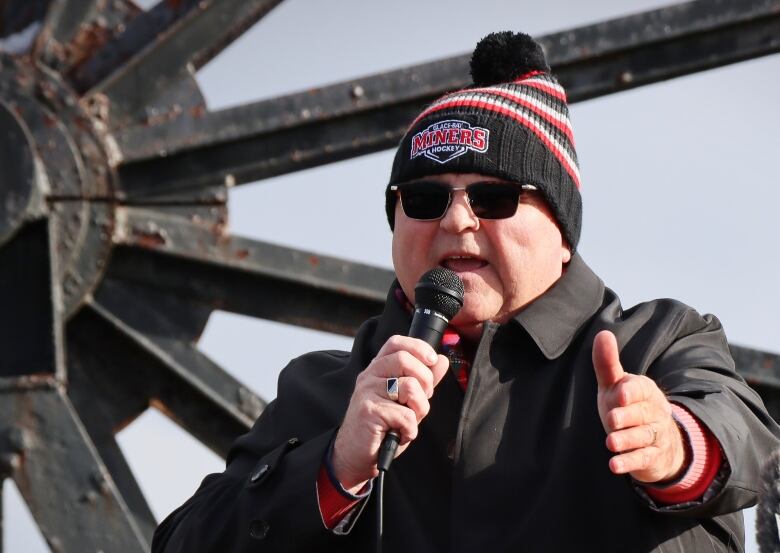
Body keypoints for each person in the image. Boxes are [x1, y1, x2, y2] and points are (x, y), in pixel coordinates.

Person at [152, 32, 779, 552]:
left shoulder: (657, 342)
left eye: (494, 197)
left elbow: (745, 438)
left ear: (561, 232)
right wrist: (333, 471)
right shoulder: (326, 390)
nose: (456, 221)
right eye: (425, 200)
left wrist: (671, 444)